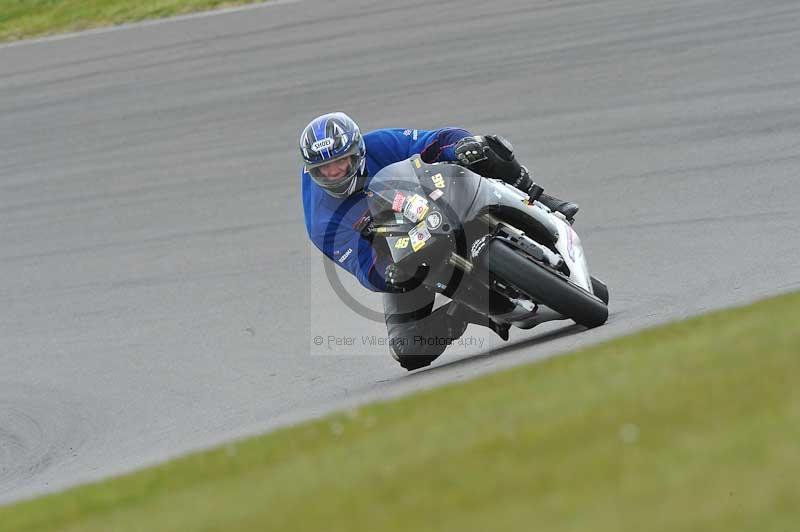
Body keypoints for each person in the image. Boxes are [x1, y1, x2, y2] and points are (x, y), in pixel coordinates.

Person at [301, 112, 578, 370]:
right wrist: (391, 275)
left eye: (340, 161)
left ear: (358, 152)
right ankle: (467, 310)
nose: (335, 173)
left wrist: (459, 146)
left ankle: (536, 196)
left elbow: (436, 140)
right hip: (403, 251)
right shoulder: (322, 221)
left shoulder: (378, 144)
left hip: (434, 202)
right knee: (408, 350)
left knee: (483, 148)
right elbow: (365, 267)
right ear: (312, 171)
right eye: (324, 169)